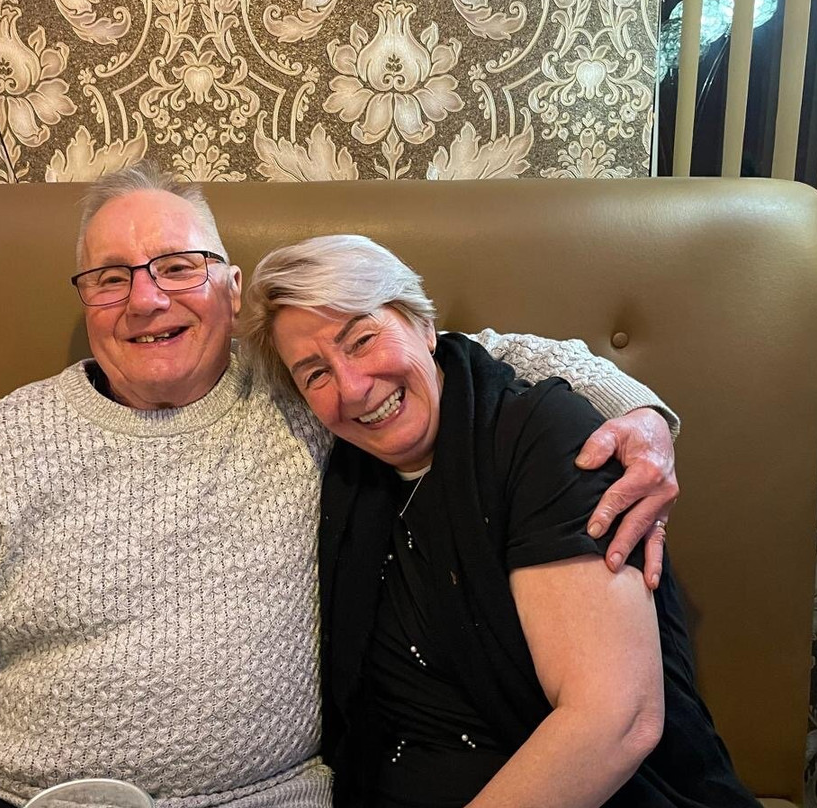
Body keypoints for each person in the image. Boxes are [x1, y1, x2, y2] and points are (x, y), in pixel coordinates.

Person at [0, 165, 677, 808]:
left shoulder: (306, 392)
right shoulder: (12, 437)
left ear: (230, 288)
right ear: (86, 301)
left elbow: (458, 361)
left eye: (178, 266)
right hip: (25, 800)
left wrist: (637, 412)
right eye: (110, 278)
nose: (146, 299)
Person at [240, 233, 759, 808]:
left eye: (362, 339)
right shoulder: (334, 465)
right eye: (315, 374)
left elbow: (616, 720)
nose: (353, 388)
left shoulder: (544, 438)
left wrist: (644, 410)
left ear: (423, 324)